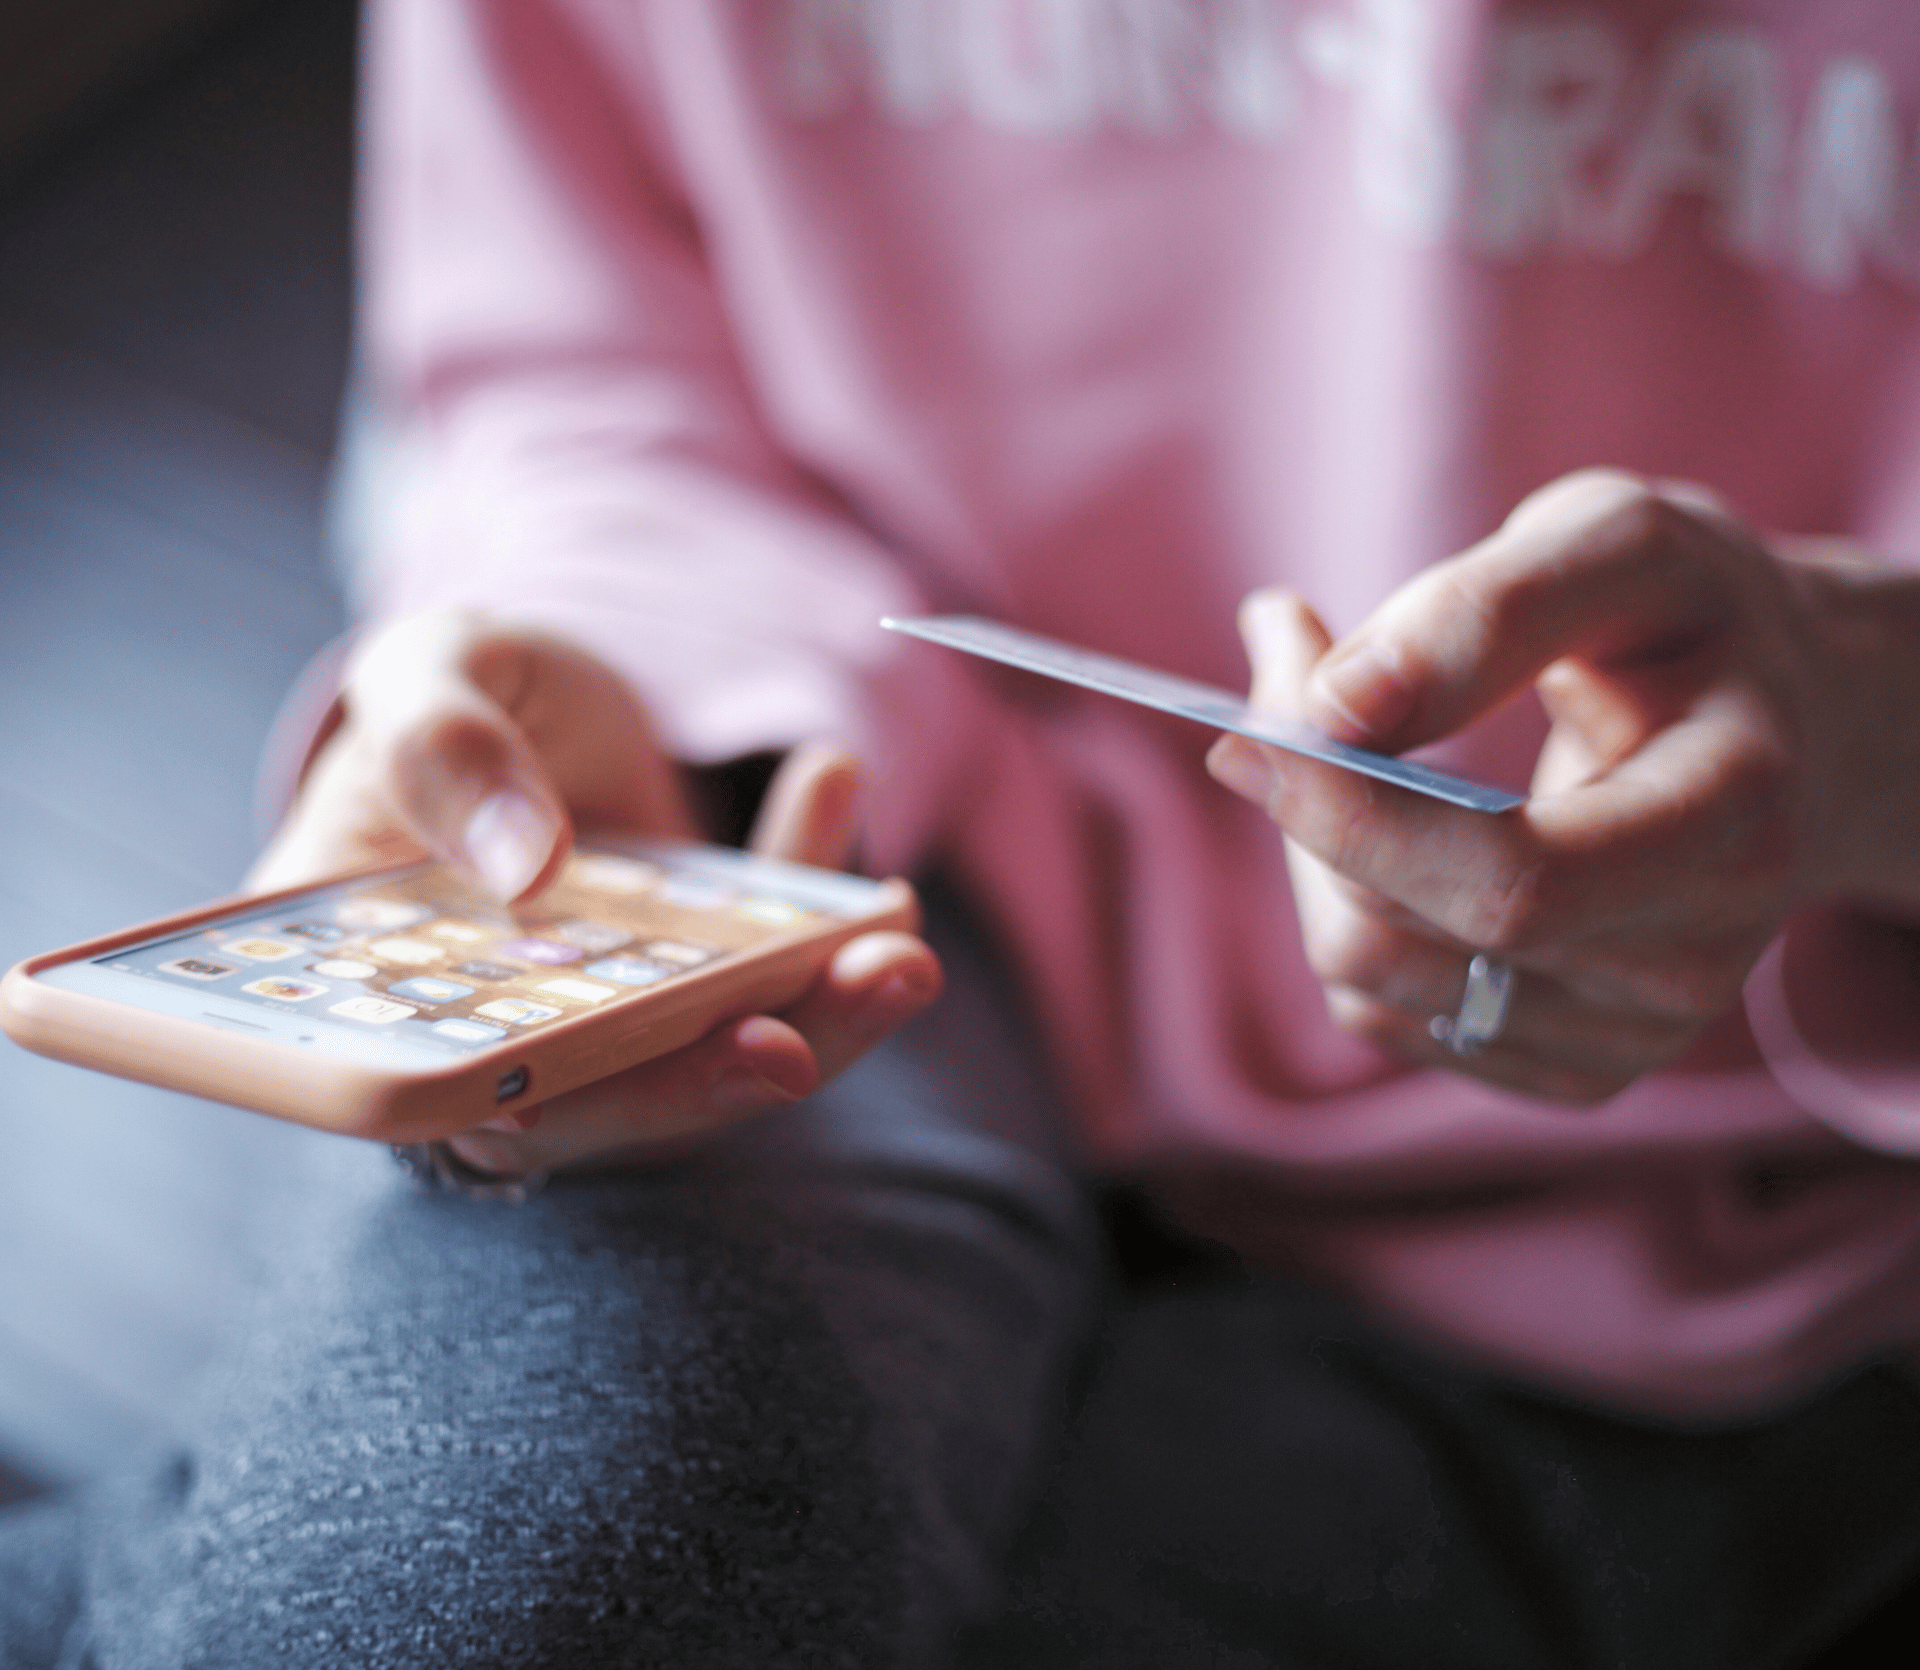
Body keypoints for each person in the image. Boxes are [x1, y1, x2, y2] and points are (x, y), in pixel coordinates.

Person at [6, 0, 1920, 1664]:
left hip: (1703, 1214)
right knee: (492, 1594)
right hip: (835, 910)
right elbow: (583, 361)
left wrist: (1862, 742)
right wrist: (613, 683)